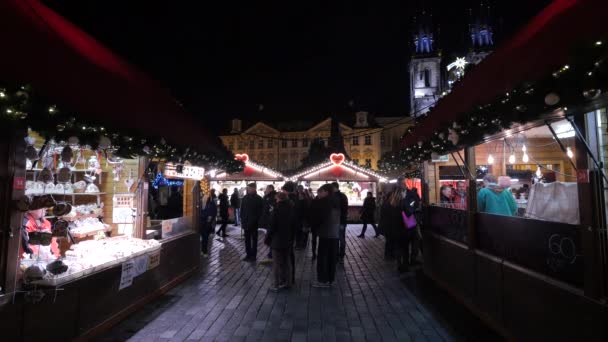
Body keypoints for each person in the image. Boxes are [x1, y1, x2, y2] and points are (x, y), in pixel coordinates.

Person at [266, 191, 296, 291]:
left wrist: (267, 239)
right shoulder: (291, 209)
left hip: (277, 239)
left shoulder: (276, 210)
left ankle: (276, 284)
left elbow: (271, 226)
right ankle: (288, 282)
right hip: (288, 238)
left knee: (276, 262)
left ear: (278, 199)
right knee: (287, 261)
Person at [312, 184, 340, 287]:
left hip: (326, 232)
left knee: (323, 257)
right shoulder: (336, 200)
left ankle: (322, 280)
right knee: (332, 257)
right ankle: (331, 279)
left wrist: (314, 227)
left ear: (326, 192)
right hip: (334, 233)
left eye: (320, 192)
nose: (318, 194)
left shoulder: (324, 202)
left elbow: (319, 218)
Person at [240, 183, 264, 261]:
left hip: (254, 223)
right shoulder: (245, 198)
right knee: (247, 240)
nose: (248, 189)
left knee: (254, 240)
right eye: (248, 188)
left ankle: (253, 256)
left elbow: (261, 212)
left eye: (250, 188)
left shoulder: (259, 199)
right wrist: (242, 219)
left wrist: (257, 220)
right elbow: (242, 209)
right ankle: (248, 255)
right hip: (246, 222)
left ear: (254, 188)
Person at [331, 182, 348, 262]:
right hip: (342, 220)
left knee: (336, 239)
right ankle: (341, 255)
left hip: (336, 221)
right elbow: (345, 209)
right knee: (341, 238)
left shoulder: (333, 197)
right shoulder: (343, 196)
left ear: (334, 188)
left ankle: (336, 255)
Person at [260, 185, 277, 260]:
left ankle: (271, 253)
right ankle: (271, 252)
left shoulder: (272, 197)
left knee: (270, 236)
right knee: (270, 236)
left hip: (270, 220)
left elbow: (269, 209)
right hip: (268, 220)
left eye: (267, 188)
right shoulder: (267, 196)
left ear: (270, 189)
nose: (266, 190)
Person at [200, 189, 217, 257]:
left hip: (207, 222)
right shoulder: (200, 202)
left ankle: (204, 251)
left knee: (205, 237)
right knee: (203, 237)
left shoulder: (211, 203)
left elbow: (214, 212)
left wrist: (210, 218)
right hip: (202, 222)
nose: (204, 198)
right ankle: (203, 250)